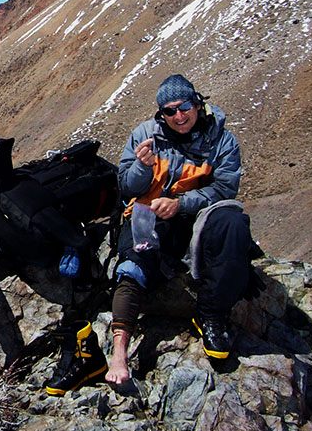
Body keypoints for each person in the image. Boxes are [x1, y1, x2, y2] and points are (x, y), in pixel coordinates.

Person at [105, 74, 253, 386]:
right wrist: (143, 167)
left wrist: (181, 203)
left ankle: (211, 314)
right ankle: (119, 351)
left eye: (184, 107)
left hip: (196, 216)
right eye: (169, 111)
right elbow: (126, 187)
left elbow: (226, 188)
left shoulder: (221, 140)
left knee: (233, 222)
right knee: (132, 265)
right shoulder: (145, 135)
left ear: (197, 104)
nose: (178, 116)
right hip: (149, 215)